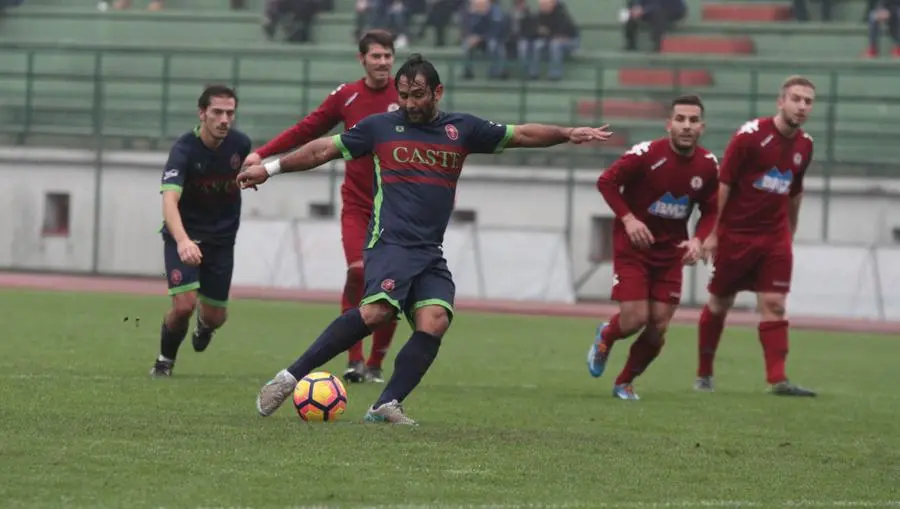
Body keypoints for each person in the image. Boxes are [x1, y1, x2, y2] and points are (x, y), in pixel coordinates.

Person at [237, 53, 613, 424]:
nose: (409, 103)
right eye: (403, 95)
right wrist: (270, 168)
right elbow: (323, 149)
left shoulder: (462, 129)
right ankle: (289, 378)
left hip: (429, 250)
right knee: (377, 312)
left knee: (434, 320)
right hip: (390, 241)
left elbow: (522, 134)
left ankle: (386, 404)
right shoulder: (379, 127)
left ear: (438, 92)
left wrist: (567, 133)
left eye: (417, 95)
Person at [242, 29, 401, 385]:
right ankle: (354, 359)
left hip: (395, 211)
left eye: (388, 55)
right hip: (358, 206)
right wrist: (263, 154)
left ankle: (376, 362)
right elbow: (308, 128)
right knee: (358, 273)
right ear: (362, 60)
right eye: (375, 56)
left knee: (390, 287)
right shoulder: (347, 96)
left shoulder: (405, 96)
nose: (383, 62)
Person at [588, 95, 719, 401]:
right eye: (681, 119)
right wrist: (629, 219)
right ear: (669, 124)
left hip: (671, 252)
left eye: (693, 120)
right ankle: (606, 335)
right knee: (634, 319)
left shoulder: (708, 165)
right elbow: (606, 182)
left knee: (657, 326)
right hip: (634, 247)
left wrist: (698, 239)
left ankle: (625, 382)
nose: (686, 126)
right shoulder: (646, 154)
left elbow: (711, 209)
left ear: (702, 126)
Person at [695, 75, 817, 397]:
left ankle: (777, 380)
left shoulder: (805, 145)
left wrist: (790, 231)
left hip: (774, 238)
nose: (802, 106)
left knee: (775, 304)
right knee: (721, 302)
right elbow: (724, 184)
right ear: (781, 102)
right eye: (796, 99)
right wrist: (713, 233)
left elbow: (794, 191)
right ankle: (704, 373)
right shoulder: (750, 136)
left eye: (808, 101)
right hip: (735, 236)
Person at [151, 84, 252, 377]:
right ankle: (164, 361)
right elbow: (169, 200)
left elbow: (247, 171)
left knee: (216, 316)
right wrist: (182, 241)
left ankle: (205, 326)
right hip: (185, 236)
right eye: (217, 112)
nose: (224, 119)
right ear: (202, 113)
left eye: (230, 113)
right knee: (184, 305)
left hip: (222, 240)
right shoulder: (183, 150)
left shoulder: (241, 144)